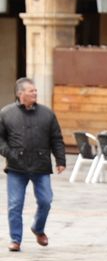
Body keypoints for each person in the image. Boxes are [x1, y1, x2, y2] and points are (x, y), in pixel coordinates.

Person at [0, 78, 66, 252]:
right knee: (15, 204)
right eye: (31, 91)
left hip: (41, 165)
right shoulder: (6, 113)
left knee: (46, 200)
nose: (35, 93)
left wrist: (60, 160)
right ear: (20, 94)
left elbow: (56, 138)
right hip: (16, 167)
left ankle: (38, 228)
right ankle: (15, 239)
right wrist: (9, 153)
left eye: (35, 90)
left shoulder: (47, 114)